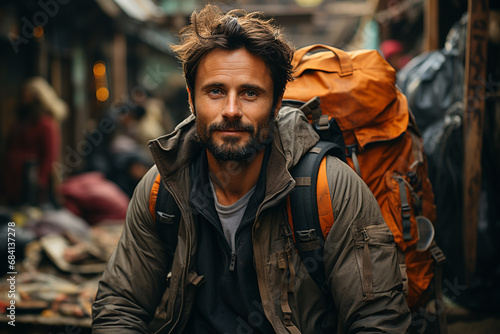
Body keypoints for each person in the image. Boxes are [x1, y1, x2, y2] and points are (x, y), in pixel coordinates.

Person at [92, 4, 411, 333]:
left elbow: (379, 320)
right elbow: (121, 304)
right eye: (215, 91)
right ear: (191, 99)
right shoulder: (163, 189)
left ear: (275, 104)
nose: (231, 110)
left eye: (250, 93)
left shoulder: (327, 189)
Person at [3, 77, 67, 207]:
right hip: (12, 180)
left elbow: (49, 155)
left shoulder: (46, 124)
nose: (24, 99)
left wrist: (39, 182)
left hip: (30, 181)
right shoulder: (19, 122)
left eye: (28, 96)